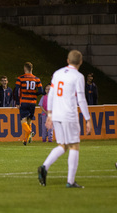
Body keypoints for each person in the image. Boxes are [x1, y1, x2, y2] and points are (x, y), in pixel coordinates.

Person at [38, 50, 92, 188]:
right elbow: (81, 98)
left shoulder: (57, 73)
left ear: (68, 60)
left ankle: (44, 166)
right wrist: (87, 118)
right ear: (80, 62)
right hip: (69, 115)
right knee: (74, 145)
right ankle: (70, 181)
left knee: (63, 145)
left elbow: (50, 95)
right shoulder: (78, 77)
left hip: (57, 114)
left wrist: (49, 114)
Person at [15, 62, 43, 146]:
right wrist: (34, 94)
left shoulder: (20, 78)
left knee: (23, 121)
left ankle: (30, 132)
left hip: (24, 102)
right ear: (32, 69)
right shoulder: (37, 79)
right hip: (33, 103)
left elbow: (16, 91)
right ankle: (25, 140)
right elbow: (41, 91)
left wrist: (17, 102)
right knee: (29, 121)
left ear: (25, 69)